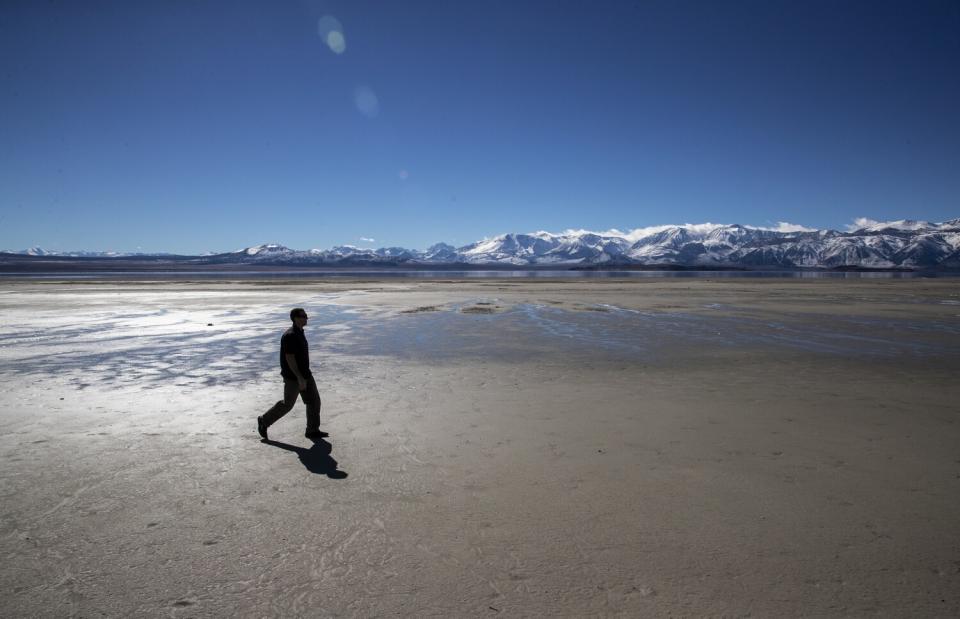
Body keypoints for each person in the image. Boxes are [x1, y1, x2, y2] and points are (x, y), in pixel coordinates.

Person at [257, 307, 326, 441]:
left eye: (306, 315)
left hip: (306, 374)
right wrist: (299, 377)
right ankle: (264, 421)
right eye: (303, 316)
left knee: (314, 401)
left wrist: (304, 376)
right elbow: (289, 358)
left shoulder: (300, 332)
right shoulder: (291, 335)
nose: (306, 318)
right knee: (287, 404)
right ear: (295, 318)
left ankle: (312, 430)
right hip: (293, 377)